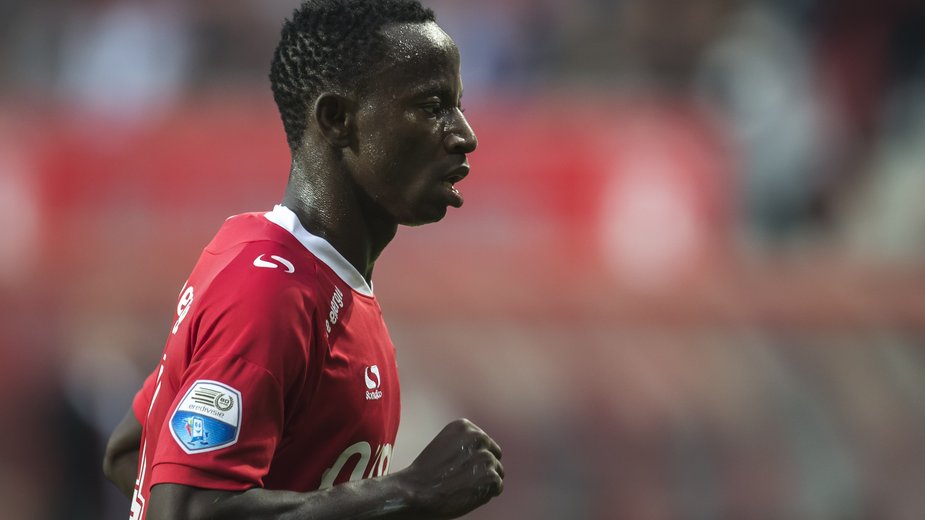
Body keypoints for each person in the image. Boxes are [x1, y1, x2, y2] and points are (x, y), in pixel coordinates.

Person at [101, 0, 504, 518]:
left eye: (458, 105)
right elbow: (185, 509)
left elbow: (133, 451)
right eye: (431, 106)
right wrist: (407, 494)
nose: (464, 135)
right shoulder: (268, 292)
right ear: (337, 119)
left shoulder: (321, 282)